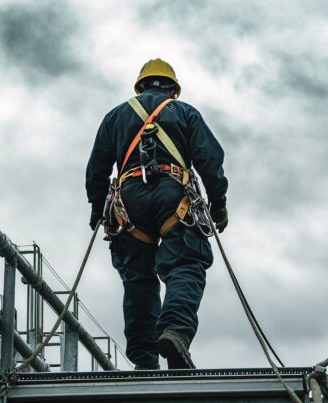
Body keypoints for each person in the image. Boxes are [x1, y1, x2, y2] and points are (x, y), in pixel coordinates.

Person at [85, 58, 228, 370]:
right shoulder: (185, 113)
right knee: (186, 264)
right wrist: (218, 203)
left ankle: (144, 359)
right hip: (172, 195)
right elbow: (209, 158)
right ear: (172, 89)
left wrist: (97, 207)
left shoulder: (116, 116)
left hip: (128, 204)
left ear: (140, 86)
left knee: (138, 280)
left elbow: (96, 167)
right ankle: (175, 332)